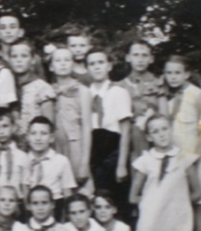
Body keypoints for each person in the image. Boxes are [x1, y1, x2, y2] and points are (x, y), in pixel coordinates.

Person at [163, 55, 201, 231]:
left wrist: (195, 156)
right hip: (172, 159)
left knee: (197, 207)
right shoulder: (165, 97)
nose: (173, 77)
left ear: (187, 74)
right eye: (169, 73)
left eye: (177, 73)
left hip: (193, 158)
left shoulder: (197, 95)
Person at [87, 47, 132, 218]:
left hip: (113, 149)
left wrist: (121, 164)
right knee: (96, 199)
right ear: (87, 68)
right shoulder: (85, 93)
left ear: (109, 66)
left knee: (114, 201)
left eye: (101, 62)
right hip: (92, 149)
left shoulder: (119, 92)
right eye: (92, 64)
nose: (97, 67)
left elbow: (126, 129)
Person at [50, 46, 93, 195]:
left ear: (73, 64)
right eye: (58, 60)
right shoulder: (48, 91)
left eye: (67, 60)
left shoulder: (83, 91)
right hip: (54, 146)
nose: (62, 64)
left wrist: (84, 163)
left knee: (81, 192)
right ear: (51, 66)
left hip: (76, 146)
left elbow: (87, 127)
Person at [119, 39, 167, 161]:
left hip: (155, 139)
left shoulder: (158, 83)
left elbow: (165, 115)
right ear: (128, 58)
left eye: (144, 55)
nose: (140, 59)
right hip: (129, 142)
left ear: (151, 59)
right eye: (135, 55)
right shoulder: (121, 86)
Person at [25, 116, 77, 218]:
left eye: (43, 133)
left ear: (52, 138)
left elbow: (67, 194)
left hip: (55, 206)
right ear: (28, 137)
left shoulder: (61, 161)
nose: (38, 138)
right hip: (31, 208)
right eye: (33, 133)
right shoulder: (23, 160)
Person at [9, 39, 55, 145]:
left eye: (24, 56)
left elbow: (49, 124)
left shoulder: (43, 88)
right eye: (14, 56)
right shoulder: (9, 86)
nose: (18, 60)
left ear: (33, 60)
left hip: (37, 146)